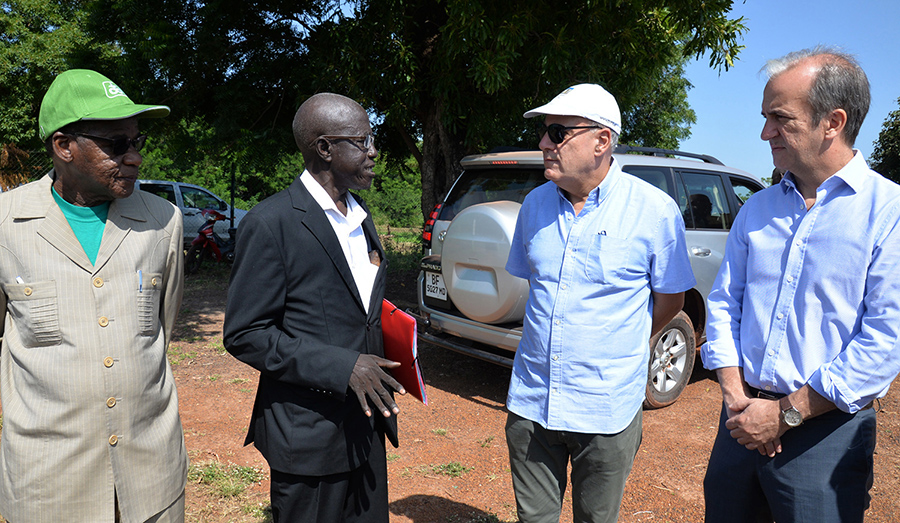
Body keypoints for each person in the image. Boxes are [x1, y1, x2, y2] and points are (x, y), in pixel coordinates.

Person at [702, 47, 900, 523]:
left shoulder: (888, 212)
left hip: (826, 435)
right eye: (766, 118)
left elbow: (885, 339)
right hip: (740, 419)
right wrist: (736, 398)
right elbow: (725, 304)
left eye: (780, 118)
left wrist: (787, 413)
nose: (765, 133)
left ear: (833, 122)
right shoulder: (758, 208)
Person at [504, 83, 696, 523]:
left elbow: (671, 300)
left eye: (557, 132)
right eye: (544, 132)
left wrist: (617, 342)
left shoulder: (653, 210)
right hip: (532, 401)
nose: (544, 143)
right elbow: (538, 287)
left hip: (606, 408)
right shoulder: (534, 205)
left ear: (602, 140)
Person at [0, 69, 186, 522]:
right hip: (49, 485)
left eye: (137, 141)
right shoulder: (5, 225)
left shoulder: (163, 222)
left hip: (151, 478)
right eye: (117, 145)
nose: (134, 157)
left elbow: (162, 328)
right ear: (64, 146)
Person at [223, 92, 405, 522]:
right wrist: (343, 367)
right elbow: (246, 334)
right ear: (324, 148)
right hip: (309, 436)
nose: (373, 151)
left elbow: (356, 309)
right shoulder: (271, 223)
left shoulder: (359, 215)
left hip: (366, 427)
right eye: (362, 141)